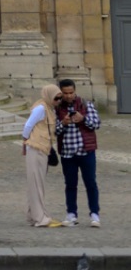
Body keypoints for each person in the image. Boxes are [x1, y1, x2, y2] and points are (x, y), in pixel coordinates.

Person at [55, 77, 100, 226]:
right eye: (65, 93)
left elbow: (96, 124)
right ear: (61, 93)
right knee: (70, 184)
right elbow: (53, 130)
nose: (68, 96)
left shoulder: (85, 104)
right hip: (68, 153)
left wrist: (83, 119)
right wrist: (63, 123)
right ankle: (71, 214)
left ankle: (94, 214)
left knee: (90, 183)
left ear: (75, 91)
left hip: (86, 151)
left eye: (71, 92)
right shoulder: (57, 108)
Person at [21, 83, 64, 228]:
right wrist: (26, 140)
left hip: (42, 148)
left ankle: (33, 214)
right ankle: (40, 218)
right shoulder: (41, 108)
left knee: (37, 183)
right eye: (56, 98)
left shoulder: (49, 108)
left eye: (60, 98)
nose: (58, 101)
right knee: (36, 184)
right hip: (36, 147)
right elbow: (28, 125)